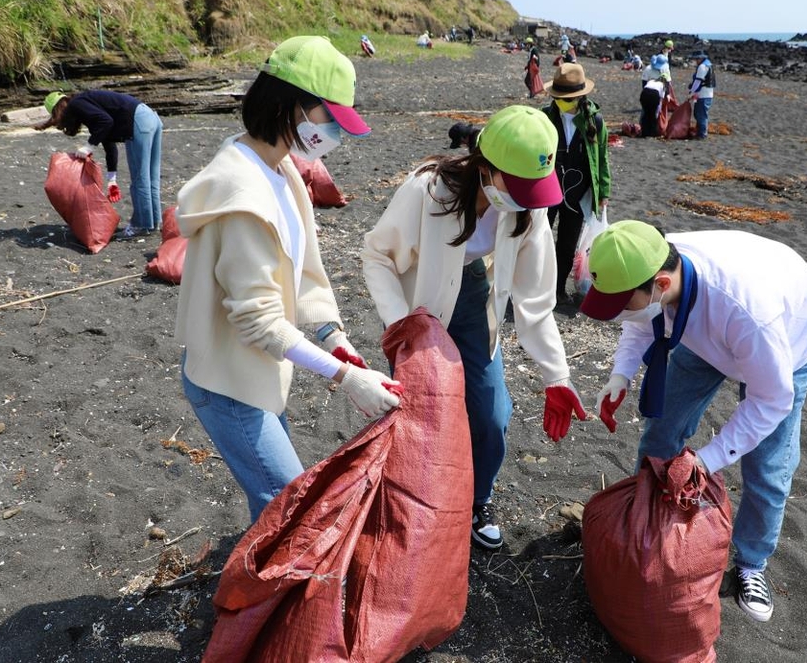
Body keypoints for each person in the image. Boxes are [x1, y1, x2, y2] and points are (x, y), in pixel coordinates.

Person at [174, 36, 402, 524]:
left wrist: (334, 338)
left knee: (279, 502)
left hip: (261, 372)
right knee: (291, 507)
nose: (335, 134)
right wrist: (346, 379)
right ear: (290, 105)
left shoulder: (283, 171)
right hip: (227, 379)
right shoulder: (244, 193)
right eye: (330, 119)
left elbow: (305, 276)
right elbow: (259, 322)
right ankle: (260, 596)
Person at [362, 105, 587, 550]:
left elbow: (536, 300)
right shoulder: (427, 190)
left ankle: (477, 500)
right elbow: (377, 256)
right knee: (418, 412)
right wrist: (400, 322)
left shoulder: (527, 207)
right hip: (418, 304)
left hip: (473, 295)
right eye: (517, 185)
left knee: (491, 414)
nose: (525, 197)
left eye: (532, 189)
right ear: (485, 167)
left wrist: (555, 374)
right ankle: (412, 500)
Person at [580, 219, 807, 624]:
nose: (622, 311)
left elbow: (771, 399)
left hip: (785, 342)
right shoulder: (652, 262)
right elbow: (641, 321)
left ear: (661, 285)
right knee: (661, 429)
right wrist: (620, 375)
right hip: (701, 335)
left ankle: (752, 564)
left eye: (624, 301)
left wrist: (708, 460)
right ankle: (649, 526)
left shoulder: (746, 313)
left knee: (768, 465)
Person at [36, 89, 163, 238]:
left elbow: (106, 122)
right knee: (151, 178)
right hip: (151, 118)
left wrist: (88, 146)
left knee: (140, 179)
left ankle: (141, 225)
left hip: (138, 121)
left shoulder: (76, 104)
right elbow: (109, 146)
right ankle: (153, 222)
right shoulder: (89, 106)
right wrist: (112, 179)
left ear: (59, 109)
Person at [540, 62, 611, 304]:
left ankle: (558, 290)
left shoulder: (595, 121)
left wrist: (604, 191)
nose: (563, 102)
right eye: (559, 97)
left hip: (577, 193)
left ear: (581, 96)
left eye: (568, 98)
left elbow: (602, 157)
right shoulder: (545, 116)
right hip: (546, 190)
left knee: (567, 245)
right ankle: (536, 287)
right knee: (539, 239)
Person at [688, 51, 715, 139]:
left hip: (704, 94)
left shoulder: (702, 67)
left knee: (701, 114)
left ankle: (702, 134)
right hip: (706, 93)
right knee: (698, 113)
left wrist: (691, 92)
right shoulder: (708, 65)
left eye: (696, 59)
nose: (696, 60)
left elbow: (698, 81)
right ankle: (700, 131)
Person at [639, 72, 670, 137]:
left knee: (646, 113)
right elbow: (660, 101)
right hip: (654, 95)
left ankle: (644, 132)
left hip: (644, 94)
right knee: (652, 115)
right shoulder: (663, 85)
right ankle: (652, 133)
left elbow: (645, 88)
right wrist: (658, 112)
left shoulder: (651, 81)